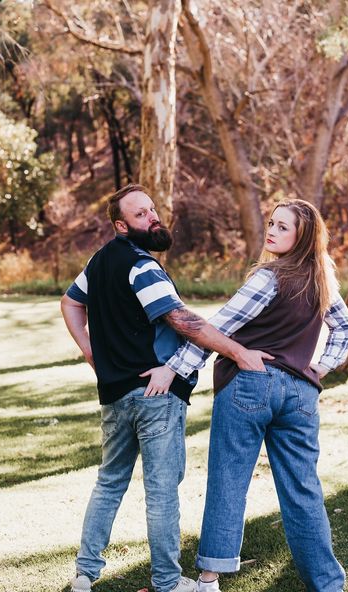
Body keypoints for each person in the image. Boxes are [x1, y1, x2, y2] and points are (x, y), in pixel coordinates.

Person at [60, 184, 271, 592]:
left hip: (114, 395)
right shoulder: (142, 266)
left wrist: (91, 353)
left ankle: (85, 576)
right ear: (122, 225)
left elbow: (70, 303)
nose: (152, 217)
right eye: (141, 215)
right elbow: (181, 320)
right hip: (156, 395)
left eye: (152, 209)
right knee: (160, 492)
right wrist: (239, 352)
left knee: (109, 481)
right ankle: (169, 583)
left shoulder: (98, 262)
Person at [144, 199, 348, 592]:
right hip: (300, 395)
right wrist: (320, 368)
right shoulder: (321, 279)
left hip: (250, 385)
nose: (271, 231)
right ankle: (328, 585)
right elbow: (344, 328)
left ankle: (209, 580)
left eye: (283, 227)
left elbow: (219, 326)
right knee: (303, 489)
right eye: (271, 223)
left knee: (229, 481)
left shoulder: (269, 276)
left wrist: (175, 367)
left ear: (302, 235)